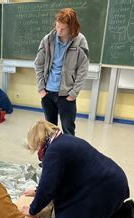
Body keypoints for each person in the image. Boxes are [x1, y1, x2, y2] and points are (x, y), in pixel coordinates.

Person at [22, 120, 134, 218]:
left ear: (38, 141)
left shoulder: (53, 152)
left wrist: (32, 210)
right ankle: (122, 208)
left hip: (107, 187)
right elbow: (54, 178)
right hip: (114, 180)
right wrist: (37, 191)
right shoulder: (62, 139)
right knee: (67, 208)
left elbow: (48, 187)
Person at [33, 8, 89, 136]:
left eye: (63, 29)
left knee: (68, 131)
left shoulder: (80, 41)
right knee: (50, 131)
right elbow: (38, 64)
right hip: (47, 93)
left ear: (72, 27)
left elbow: (83, 69)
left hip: (66, 95)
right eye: (57, 27)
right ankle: (53, 155)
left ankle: (69, 156)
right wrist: (41, 89)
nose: (59, 31)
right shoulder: (48, 40)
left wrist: (74, 93)